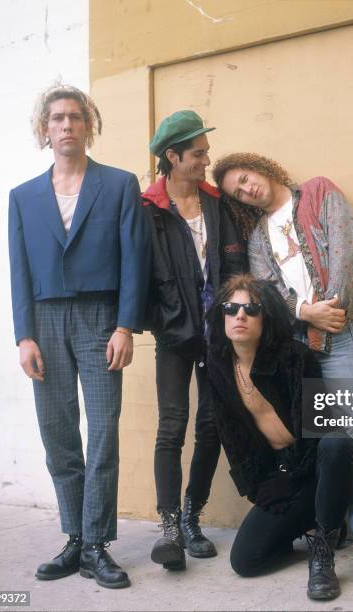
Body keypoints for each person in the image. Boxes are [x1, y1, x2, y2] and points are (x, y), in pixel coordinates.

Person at [212, 153, 353, 574]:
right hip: (294, 343)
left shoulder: (320, 193)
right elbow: (266, 296)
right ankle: (323, 522)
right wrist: (305, 314)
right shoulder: (257, 237)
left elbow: (348, 254)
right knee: (309, 435)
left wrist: (331, 310)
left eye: (246, 177)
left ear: (262, 168)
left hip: (339, 335)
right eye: (238, 190)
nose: (247, 188)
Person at [8, 84, 150, 589]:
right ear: (44, 130)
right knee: (58, 431)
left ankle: (97, 544)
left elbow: (136, 260)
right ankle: (74, 536)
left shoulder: (118, 185)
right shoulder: (22, 197)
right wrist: (24, 335)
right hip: (44, 322)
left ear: (89, 125)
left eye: (75, 117)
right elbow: (19, 270)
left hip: (100, 317)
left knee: (104, 430)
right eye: (57, 118)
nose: (66, 125)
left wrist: (125, 325)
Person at [206, 274, 353, 600]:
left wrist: (291, 476)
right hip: (282, 473)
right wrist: (261, 488)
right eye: (231, 308)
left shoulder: (295, 357)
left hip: (320, 464)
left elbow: (319, 429)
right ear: (221, 315)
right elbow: (233, 441)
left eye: (250, 309)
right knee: (246, 560)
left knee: (337, 442)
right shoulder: (217, 368)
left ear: (265, 316)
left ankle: (323, 552)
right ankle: (317, 515)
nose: (239, 316)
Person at [142, 110, 246, 570]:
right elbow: (137, 273)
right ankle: (168, 526)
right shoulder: (149, 209)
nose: (207, 160)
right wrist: (161, 318)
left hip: (217, 334)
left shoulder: (217, 204)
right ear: (173, 156)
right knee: (171, 426)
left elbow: (236, 265)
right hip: (174, 334)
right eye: (198, 153)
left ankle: (191, 516)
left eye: (206, 151)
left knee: (211, 426)